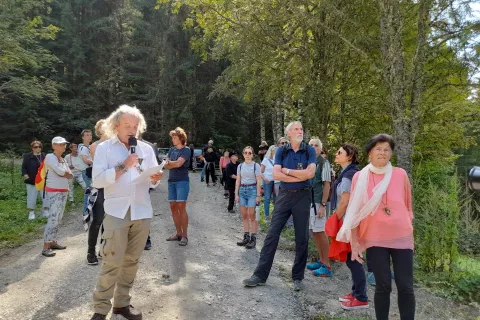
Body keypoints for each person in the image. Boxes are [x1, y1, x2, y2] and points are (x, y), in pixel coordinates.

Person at [90, 105, 163, 320]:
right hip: (116, 212)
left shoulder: (146, 149)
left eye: (135, 126)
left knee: (131, 261)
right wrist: (123, 166)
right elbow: (97, 180)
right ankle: (100, 310)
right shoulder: (105, 149)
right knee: (112, 261)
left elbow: (152, 180)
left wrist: (154, 179)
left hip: (142, 211)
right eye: (127, 125)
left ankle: (122, 305)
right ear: (116, 126)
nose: (132, 129)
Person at [338, 134, 415, 319]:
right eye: (378, 149)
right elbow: (355, 213)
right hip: (374, 239)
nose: (382, 152)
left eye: (386, 149)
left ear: (391, 153)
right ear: (370, 153)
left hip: (401, 238)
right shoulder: (359, 177)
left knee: (406, 286)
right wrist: (355, 244)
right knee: (383, 286)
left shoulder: (400, 174)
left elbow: (408, 207)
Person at [242, 121, 316, 291]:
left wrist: (287, 172)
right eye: (296, 129)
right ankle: (260, 275)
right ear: (288, 133)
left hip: (303, 196)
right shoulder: (282, 150)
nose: (300, 131)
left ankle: (297, 278)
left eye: (301, 129)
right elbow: (276, 174)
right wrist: (299, 175)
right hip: (284, 196)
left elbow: (310, 173)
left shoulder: (309, 150)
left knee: (302, 238)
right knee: (272, 234)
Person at [330, 144, 368, 310]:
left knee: (354, 259)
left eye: (340, 152)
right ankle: (355, 293)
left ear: (349, 156)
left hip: (349, 222)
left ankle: (361, 297)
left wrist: (334, 219)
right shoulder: (348, 172)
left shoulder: (349, 175)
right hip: (348, 221)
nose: (336, 154)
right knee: (350, 257)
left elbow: (345, 202)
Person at [305, 138, 333, 277]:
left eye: (316, 145)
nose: (314, 147)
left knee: (321, 232)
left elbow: (327, 185)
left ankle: (327, 266)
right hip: (308, 201)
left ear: (320, 148)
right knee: (314, 231)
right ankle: (321, 261)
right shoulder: (307, 162)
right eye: (311, 145)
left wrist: (322, 205)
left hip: (318, 202)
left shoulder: (324, 163)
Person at [42, 137, 73, 257]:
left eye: (64, 144)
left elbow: (70, 175)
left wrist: (65, 173)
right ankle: (46, 247)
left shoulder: (63, 159)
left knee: (59, 218)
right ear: (53, 146)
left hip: (63, 191)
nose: (63, 146)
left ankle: (53, 242)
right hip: (54, 191)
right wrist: (65, 173)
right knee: (53, 218)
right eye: (60, 144)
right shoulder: (50, 157)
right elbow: (61, 172)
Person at [86, 119, 109, 265]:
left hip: (112, 187)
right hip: (100, 187)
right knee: (98, 220)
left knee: (109, 221)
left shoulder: (114, 145)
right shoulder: (95, 146)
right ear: (99, 130)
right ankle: (90, 252)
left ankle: (103, 248)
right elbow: (102, 165)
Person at [164, 127, 191, 246]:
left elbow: (179, 163)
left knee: (181, 206)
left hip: (182, 181)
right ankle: (178, 233)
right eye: (172, 138)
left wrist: (170, 163)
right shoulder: (171, 150)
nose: (173, 140)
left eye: (175, 137)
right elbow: (166, 166)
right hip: (171, 181)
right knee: (173, 207)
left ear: (181, 138)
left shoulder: (186, 150)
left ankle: (184, 235)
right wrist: (170, 164)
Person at [235, 146, 262, 249]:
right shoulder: (240, 166)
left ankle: (253, 238)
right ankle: (246, 237)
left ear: (252, 154)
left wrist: (258, 195)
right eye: (245, 153)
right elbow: (238, 180)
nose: (247, 155)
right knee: (244, 215)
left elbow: (259, 180)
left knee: (252, 215)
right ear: (243, 154)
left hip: (252, 191)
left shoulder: (256, 166)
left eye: (249, 153)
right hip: (242, 190)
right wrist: (236, 194)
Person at [21, 140, 48, 220]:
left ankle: (46, 210)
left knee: (45, 196)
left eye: (40, 147)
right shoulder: (27, 156)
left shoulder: (45, 155)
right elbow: (23, 167)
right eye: (36, 147)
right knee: (31, 197)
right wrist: (25, 175)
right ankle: (31, 212)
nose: (38, 148)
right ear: (32, 148)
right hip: (31, 180)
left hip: (43, 180)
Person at [260, 145, 276, 222]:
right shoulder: (266, 160)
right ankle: (266, 216)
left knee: (276, 199)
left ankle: (275, 215)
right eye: (274, 150)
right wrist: (265, 179)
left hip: (276, 181)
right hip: (268, 181)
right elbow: (260, 171)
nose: (275, 151)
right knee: (267, 198)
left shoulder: (277, 160)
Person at [79, 129, 93, 213]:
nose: (89, 137)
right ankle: (85, 210)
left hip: (89, 170)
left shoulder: (89, 147)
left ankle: (88, 209)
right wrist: (96, 162)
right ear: (83, 137)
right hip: (86, 171)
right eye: (87, 135)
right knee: (89, 190)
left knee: (90, 190)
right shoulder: (83, 148)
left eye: (90, 135)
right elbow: (86, 160)